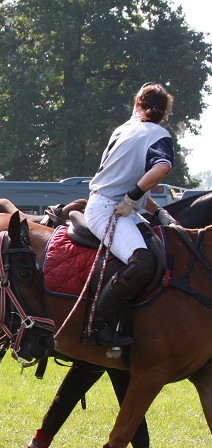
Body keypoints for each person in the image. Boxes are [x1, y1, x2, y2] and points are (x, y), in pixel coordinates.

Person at [85, 82, 175, 346]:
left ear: (136, 103)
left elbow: (128, 183)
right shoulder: (159, 133)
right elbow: (161, 168)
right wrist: (133, 196)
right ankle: (97, 324)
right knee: (143, 261)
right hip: (108, 210)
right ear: (164, 111)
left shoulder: (123, 129)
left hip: (114, 207)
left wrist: (158, 212)